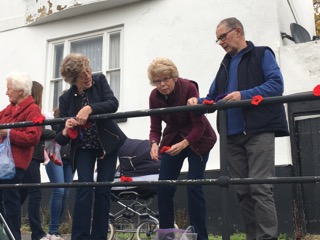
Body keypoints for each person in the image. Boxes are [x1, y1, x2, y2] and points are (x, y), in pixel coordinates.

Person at [187, 17, 289, 240]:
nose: (221, 42)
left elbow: (276, 85)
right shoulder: (224, 64)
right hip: (231, 136)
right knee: (243, 192)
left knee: (260, 188)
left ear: (238, 31)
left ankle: (267, 238)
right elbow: (212, 99)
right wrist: (198, 101)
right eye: (218, 40)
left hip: (259, 131)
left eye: (223, 36)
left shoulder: (262, 54)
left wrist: (244, 95)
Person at [55, 53, 127, 240]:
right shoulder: (66, 99)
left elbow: (113, 104)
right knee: (84, 189)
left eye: (88, 70)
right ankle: (79, 237)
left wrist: (90, 108)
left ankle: (99, 237)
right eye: (81, 75)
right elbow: (60, 138)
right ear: (72, 80)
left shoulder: (100, 80)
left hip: (108, 145)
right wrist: (65, 129)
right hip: (84, 148)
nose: (87, 76)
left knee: (103, 191)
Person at [148, 57, 217, 240]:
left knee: (193, 186)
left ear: (174, 77)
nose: (162, 85)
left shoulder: (188, 88)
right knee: (164, 186)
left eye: (165, 79)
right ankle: (167, 235)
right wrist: (154, 143)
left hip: (199, 139)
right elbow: (155, 127)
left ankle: (200, 236)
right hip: (172, 138)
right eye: (157, 81)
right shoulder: (154, 97)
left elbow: (199, 125)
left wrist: (185, 143)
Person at [0, 72, 42, 240]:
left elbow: (33, 137)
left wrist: (10, 133)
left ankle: (13, 236)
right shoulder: (9, 109)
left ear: (19, 90)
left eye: (9, 88)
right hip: (4, 162)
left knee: (10, 200)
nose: (6, 92)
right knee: (7, 200)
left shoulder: (33, 109)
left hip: (14, 164)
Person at [20, 81, 56, 240]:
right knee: (34, 192)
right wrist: (53, 133)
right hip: (31, 156)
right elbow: (36, 132)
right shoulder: (33, 110)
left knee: (21, 193)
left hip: (31, 156)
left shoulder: (28, 109)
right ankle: (37, 233)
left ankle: (10, 224)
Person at [45, 107, 74, 240]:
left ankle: (55, 230)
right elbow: (52, 136)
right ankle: (53, 231)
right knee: (59, 191)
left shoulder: (77, 116)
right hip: (54, 156)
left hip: (69, 159)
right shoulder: (55, 118)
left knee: (65, 194)